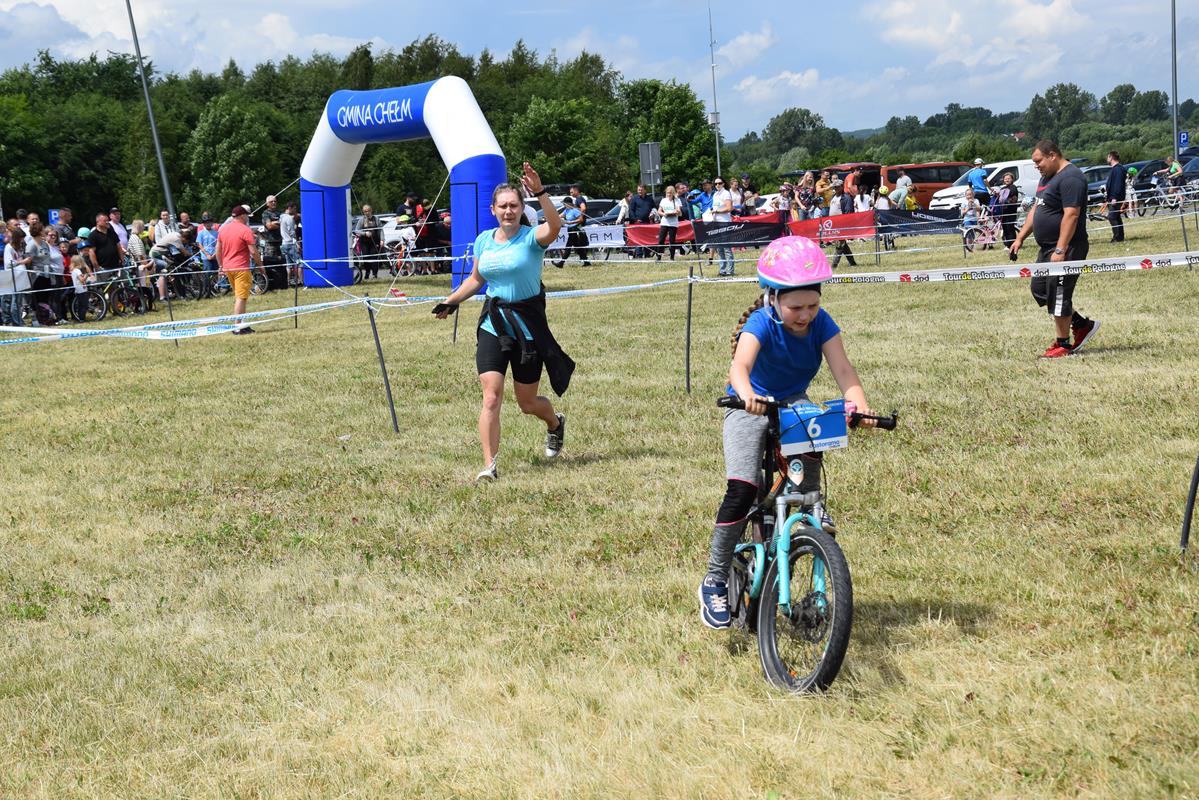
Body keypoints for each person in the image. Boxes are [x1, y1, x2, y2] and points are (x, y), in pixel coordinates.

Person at [697, 235, 877, 629]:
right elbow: (739, 367)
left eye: (813, 305)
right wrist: (747, 395)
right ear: (773, 298)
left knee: (814, 431)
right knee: (742, 489)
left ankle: (810, 507)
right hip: (749, 403)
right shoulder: (761, 322)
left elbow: (843, 369)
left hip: (793, 400)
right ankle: (714, 579)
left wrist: (859, 404)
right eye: (796, 307)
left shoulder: (822, 323)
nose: (806, 315)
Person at [432, 163, 572, 481]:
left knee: (527, 403)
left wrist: (540, 191)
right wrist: (451, 301)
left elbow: (555, 225)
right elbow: (476, 279)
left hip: (527, 328)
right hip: (493, 325)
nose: (508, 211)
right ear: (493, 209)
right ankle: (489, 466)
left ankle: (554, 423)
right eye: (503, 206)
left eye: (514, 205)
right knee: (491, 396)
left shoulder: (532, 238)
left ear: (521, 208)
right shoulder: (483, 241)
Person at [1009, 139, 1099, 358]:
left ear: (1052, 155)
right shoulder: (1046, 177)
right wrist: (1020, 238)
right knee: (1040, 289)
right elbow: (1036, 209)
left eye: (1038, 161)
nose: (1036, 166)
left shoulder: (1071, 178)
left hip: (1067, 247)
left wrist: (1060, 249)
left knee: (1059, 292)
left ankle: (1063, 344)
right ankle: (1081, 325)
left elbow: (1072, 215)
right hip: (1046, 248)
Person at [214, 204, 263, 335]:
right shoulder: (245, 230)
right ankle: (237, 327)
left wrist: (220, 266)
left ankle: (243, 324)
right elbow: (253, 252)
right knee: (241, 298)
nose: (248, 218)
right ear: (242, 216)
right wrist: (260, 266)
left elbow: (218, 250)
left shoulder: (223, 229)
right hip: (241, 268)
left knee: (240, 297)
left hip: (228, 268)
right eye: (247, 215)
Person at [2, 227, 32, 325]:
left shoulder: (19, 248)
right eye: (21, 238)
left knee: (18, 301)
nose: (22, 240)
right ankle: (16, 322)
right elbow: (9, 264)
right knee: (15, 301)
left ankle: (18, 320)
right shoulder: (8, 248)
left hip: (20, 277)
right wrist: (23, 261)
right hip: (13, 277)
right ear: (16, 238)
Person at [84, 212, 125, 281]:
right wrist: (97, 267)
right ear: (98, 222)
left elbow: (118, 246)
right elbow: (91, 252)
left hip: (117, 265)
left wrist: (122, 259)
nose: (107, 222)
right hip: (104, 268)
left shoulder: (111, 232)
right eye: (105, 221)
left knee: (123, 283)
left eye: (107, 220)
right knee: (109, 286)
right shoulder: (93, 235)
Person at [827, 181, 857, 268]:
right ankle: (852, 262)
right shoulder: (833, 197)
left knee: (840, 243)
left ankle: (834, 264)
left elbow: (848, 212)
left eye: (837, 187)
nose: (835, 189)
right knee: (842, 244)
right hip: (833, 223)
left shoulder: (846, 198)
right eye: (834, 187)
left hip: (841, 224)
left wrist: (846, 224)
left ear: (841, 186)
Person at [711, 176, 735, 276]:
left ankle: (730, 270)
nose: (717, 185)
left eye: (719, 183)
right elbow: (715, 207)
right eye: (716, 183)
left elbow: (729, 208)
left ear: (723, 184)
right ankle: (722, 270)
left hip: (725, 222)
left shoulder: (726, 193)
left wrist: (717, 211)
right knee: (719, 248)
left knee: (726, 248)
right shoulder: (715, 194)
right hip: (716, 222)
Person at [991, 172, 1021, 249]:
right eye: (1005, 179)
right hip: (1003, 212)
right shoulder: (1003, 188)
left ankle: (1012, 245)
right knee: (1005, 228)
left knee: (1010, 228)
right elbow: (1000, 198)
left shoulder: (1013, 188)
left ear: (1012, 179)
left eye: (1009, 178)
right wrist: (996, 194)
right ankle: (1008, 244)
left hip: (1010, 211)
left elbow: (1011, 198)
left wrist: (1003, 197)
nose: (1007, 180)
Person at [1103, 150, 1127, 243]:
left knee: (1112, 217)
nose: (1107, 159)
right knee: (1116, 216)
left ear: (1111, 157)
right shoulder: (1117, 169)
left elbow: (1117, 184)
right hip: (1114, 197)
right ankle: (1120, 237)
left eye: (1108, 157)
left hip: (1115, 198)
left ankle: (1117, 237)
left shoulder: (1117, 169)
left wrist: (1114, 197)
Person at [354, 204, 381, 279]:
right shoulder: (361, 220)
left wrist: (382, 239)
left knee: (374, 257)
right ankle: (367, 273)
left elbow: (380, 230)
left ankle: (375, 274)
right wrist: (365, 233)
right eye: (365, 211)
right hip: (364, 242)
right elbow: (356, 230)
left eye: (368, 211)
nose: (367, 213)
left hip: (374, 241)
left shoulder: (376, 219)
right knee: (366, 258)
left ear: (371, 210)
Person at [656, 184, 682, 261]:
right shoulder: (663, 200)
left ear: (673, 193)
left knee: (672, 240)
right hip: (664, 222)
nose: (669, 194)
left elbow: (679, 211)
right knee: (661, 239)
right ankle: (659, 257)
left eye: (670, 193)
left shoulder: (677, 200)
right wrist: (664, 214)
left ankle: (672, 257)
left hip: (673, 223)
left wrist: (676, 212)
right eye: (667, 193)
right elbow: (659, 211)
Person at [628, 184, 655, 259]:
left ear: (645, 190)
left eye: (641, 190)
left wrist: (653, 213)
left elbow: (654, 208)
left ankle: (647, 254)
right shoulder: (634, 199)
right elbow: (631, 210)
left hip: (648, 222)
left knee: (647, 238)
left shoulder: (649, 199)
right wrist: (635, 219)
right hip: (638, 223)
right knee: (638, 239)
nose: (639, 191)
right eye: (638, 190)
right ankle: (639, 255)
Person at [280, 202, 300, 284]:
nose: (295, 211)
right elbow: (292, 233)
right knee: (299, 263)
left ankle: (288, 282)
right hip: (291, 243)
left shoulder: (281, 217)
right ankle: (301, 281)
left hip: (284, 243)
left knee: (288, 265)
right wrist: (297, 244)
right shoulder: (289, 218)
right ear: (289, 208)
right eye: (294, 209)